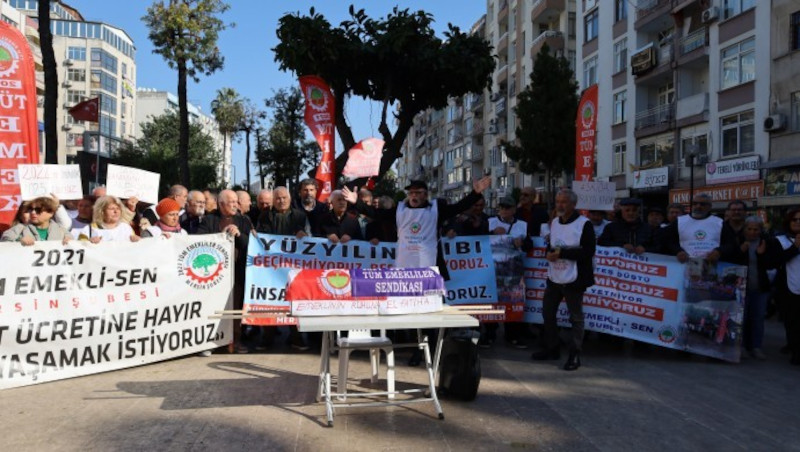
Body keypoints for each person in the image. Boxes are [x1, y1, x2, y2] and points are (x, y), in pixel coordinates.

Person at [344, 176, 491, 366]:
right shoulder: (399, 210)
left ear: (425, 195)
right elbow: (376, 213)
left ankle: (431, 348)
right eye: (411, 192)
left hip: (430, 268)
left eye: (418, 193)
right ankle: (417, 348)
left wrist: (475, 193)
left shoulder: (436, 209)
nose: (413, 196)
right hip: (406, 269)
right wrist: (356, 203)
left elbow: (459, 207)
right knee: (410, 310)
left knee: (431, 311)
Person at [531, 189, 596, 371]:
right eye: (558, 201)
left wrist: (561, 253)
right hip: (555, 276)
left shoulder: (584, 224)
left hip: (575, 277)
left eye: (564, 202)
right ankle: (552, 348)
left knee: (575, 317)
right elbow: (552, 246)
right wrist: (549, 254)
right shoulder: (554, 222)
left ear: (573, 204)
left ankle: (575, 354)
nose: (559, 205)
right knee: (548, 312)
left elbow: (588, 251)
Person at [197, 190, 253, 353]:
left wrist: (240, 235)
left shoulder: (244, 220)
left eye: (237, 201)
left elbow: (251, 245)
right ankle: (213, 341)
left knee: (236, 308)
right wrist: (220, 237)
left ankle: (236, 340)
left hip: (237, 273)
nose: (236, 205)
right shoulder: (208, 220)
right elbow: (199, 241)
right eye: (232, 202)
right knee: (214, 307)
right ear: (221, 204)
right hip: (214, 274)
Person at [255, 187, 309, 351]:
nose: (281, 201)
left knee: (294, 301)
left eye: (284, 197)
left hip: (293, 267)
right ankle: (267, 337)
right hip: (271, 267)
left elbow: (310, 237)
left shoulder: (300, 216)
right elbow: (260, 237)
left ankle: (296, 338)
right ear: (273, 200)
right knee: (270, 302)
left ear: (290, 198)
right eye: (278, 198)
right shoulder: (265, 216)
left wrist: (304, 236)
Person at [725, 216, 781, 360]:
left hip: (760, 287)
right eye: (749, 229)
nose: (752, 232)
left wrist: (761, 255)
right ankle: (741, 346)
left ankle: (756, 347)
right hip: (741, 288)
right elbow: (729, 262)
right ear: (744, 229)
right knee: (741, 319)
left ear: (761, 230)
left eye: (756, 229)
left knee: (758, 318)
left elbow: (773, 264)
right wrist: (740, 251)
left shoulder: (767, 243)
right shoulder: (737, 241)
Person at [485, 195, 530, 349]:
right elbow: (478, 239)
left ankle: (512, 335)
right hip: (492, 269)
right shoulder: (490, 222)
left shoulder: (522, 225)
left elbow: (530, 244)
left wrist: (522, 242)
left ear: (514, 209)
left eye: (507, 208)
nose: (504, 210)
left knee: (512, 301)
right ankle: (489, 333)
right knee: (492, 302)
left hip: (513, 270)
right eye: (502, 207)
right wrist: (491, 232)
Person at [662, 193, 727, 263]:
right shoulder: (680, 221)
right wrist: (678, 251)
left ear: (709, 207)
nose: (698, 206)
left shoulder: (719, 222)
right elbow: (669, 241)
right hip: (685, 264)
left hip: (712, 264)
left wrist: (718, 251)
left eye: (702, 204)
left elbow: (729, 243)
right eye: (695, 204)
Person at [775, 207, 800, 365]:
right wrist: (795, 247)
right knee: (793, 321)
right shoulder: (780, 240)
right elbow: (776, 260)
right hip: (789, 288)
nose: (797, 222)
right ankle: (795, 351)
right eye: (794, 219)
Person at [0, 197, 71, 245]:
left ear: (51, 213)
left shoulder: (62, 231)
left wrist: (70, 243)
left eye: (38, 210)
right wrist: (19, 240)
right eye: (31, 209)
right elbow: (4, 242)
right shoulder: (19, 229)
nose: (33, 212)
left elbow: (73, 248)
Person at [76, 196, 140, 243]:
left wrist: (137, 241)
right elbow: (80, 248)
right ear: (101, 211)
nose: (116, 211)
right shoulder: (88, 230)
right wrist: (89, 243)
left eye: (118, 208)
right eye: (112, 209)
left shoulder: (126, 228)